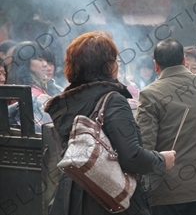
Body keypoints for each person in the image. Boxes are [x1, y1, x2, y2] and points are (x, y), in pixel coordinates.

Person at [44, 31, 176, 215]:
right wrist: (162, 160)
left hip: (72, 195)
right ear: (107, 65)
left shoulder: (67, 103)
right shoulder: (113, 100)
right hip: (106, 197)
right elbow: (131, 156)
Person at [136, 38, 196, 215]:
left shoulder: (150, 94)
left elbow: (145, 147)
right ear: (184, 61)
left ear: (156, 66)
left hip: (166, 191)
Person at [6, 41, 53, 132]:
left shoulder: (42, 86)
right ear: (26, 62)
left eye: (45, 60)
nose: (45, 64)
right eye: (39, 60)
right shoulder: (27, 91)